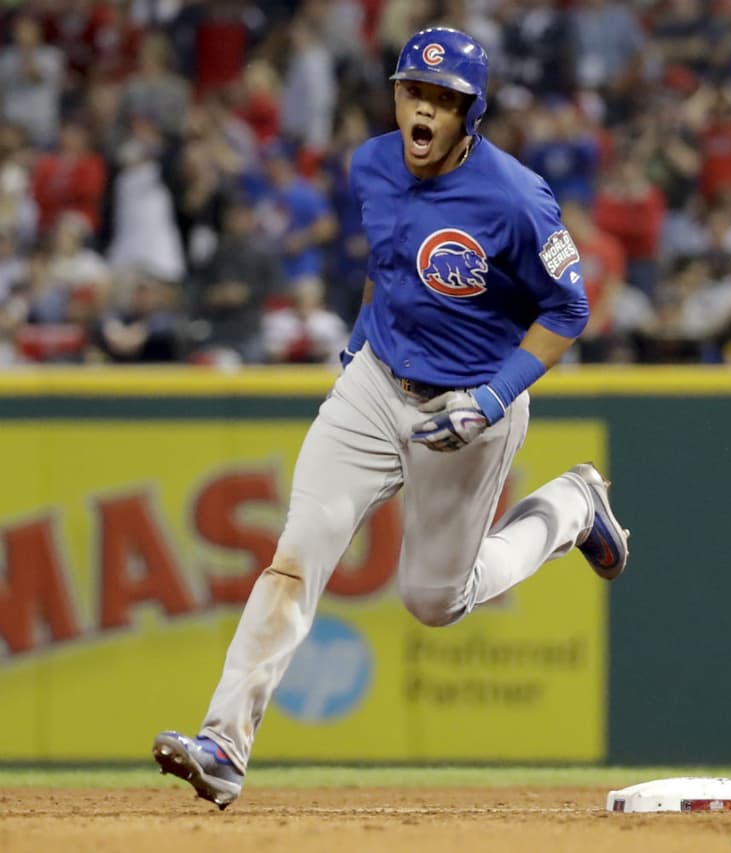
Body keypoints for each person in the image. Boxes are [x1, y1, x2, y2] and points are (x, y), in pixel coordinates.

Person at [152, 28, 630, 809]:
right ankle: (224, 744)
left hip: (471, 401)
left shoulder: (515, 197)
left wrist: (492, 397)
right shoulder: (370, 164)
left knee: (435, 600)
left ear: (470, 115)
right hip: (375, 385)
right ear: (397, 93)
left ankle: (574, 505)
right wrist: (354, 351)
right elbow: (388, 268)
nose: (426, 109)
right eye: (416, 91)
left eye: (445, 100)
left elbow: (568, 308)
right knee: (297, 553)